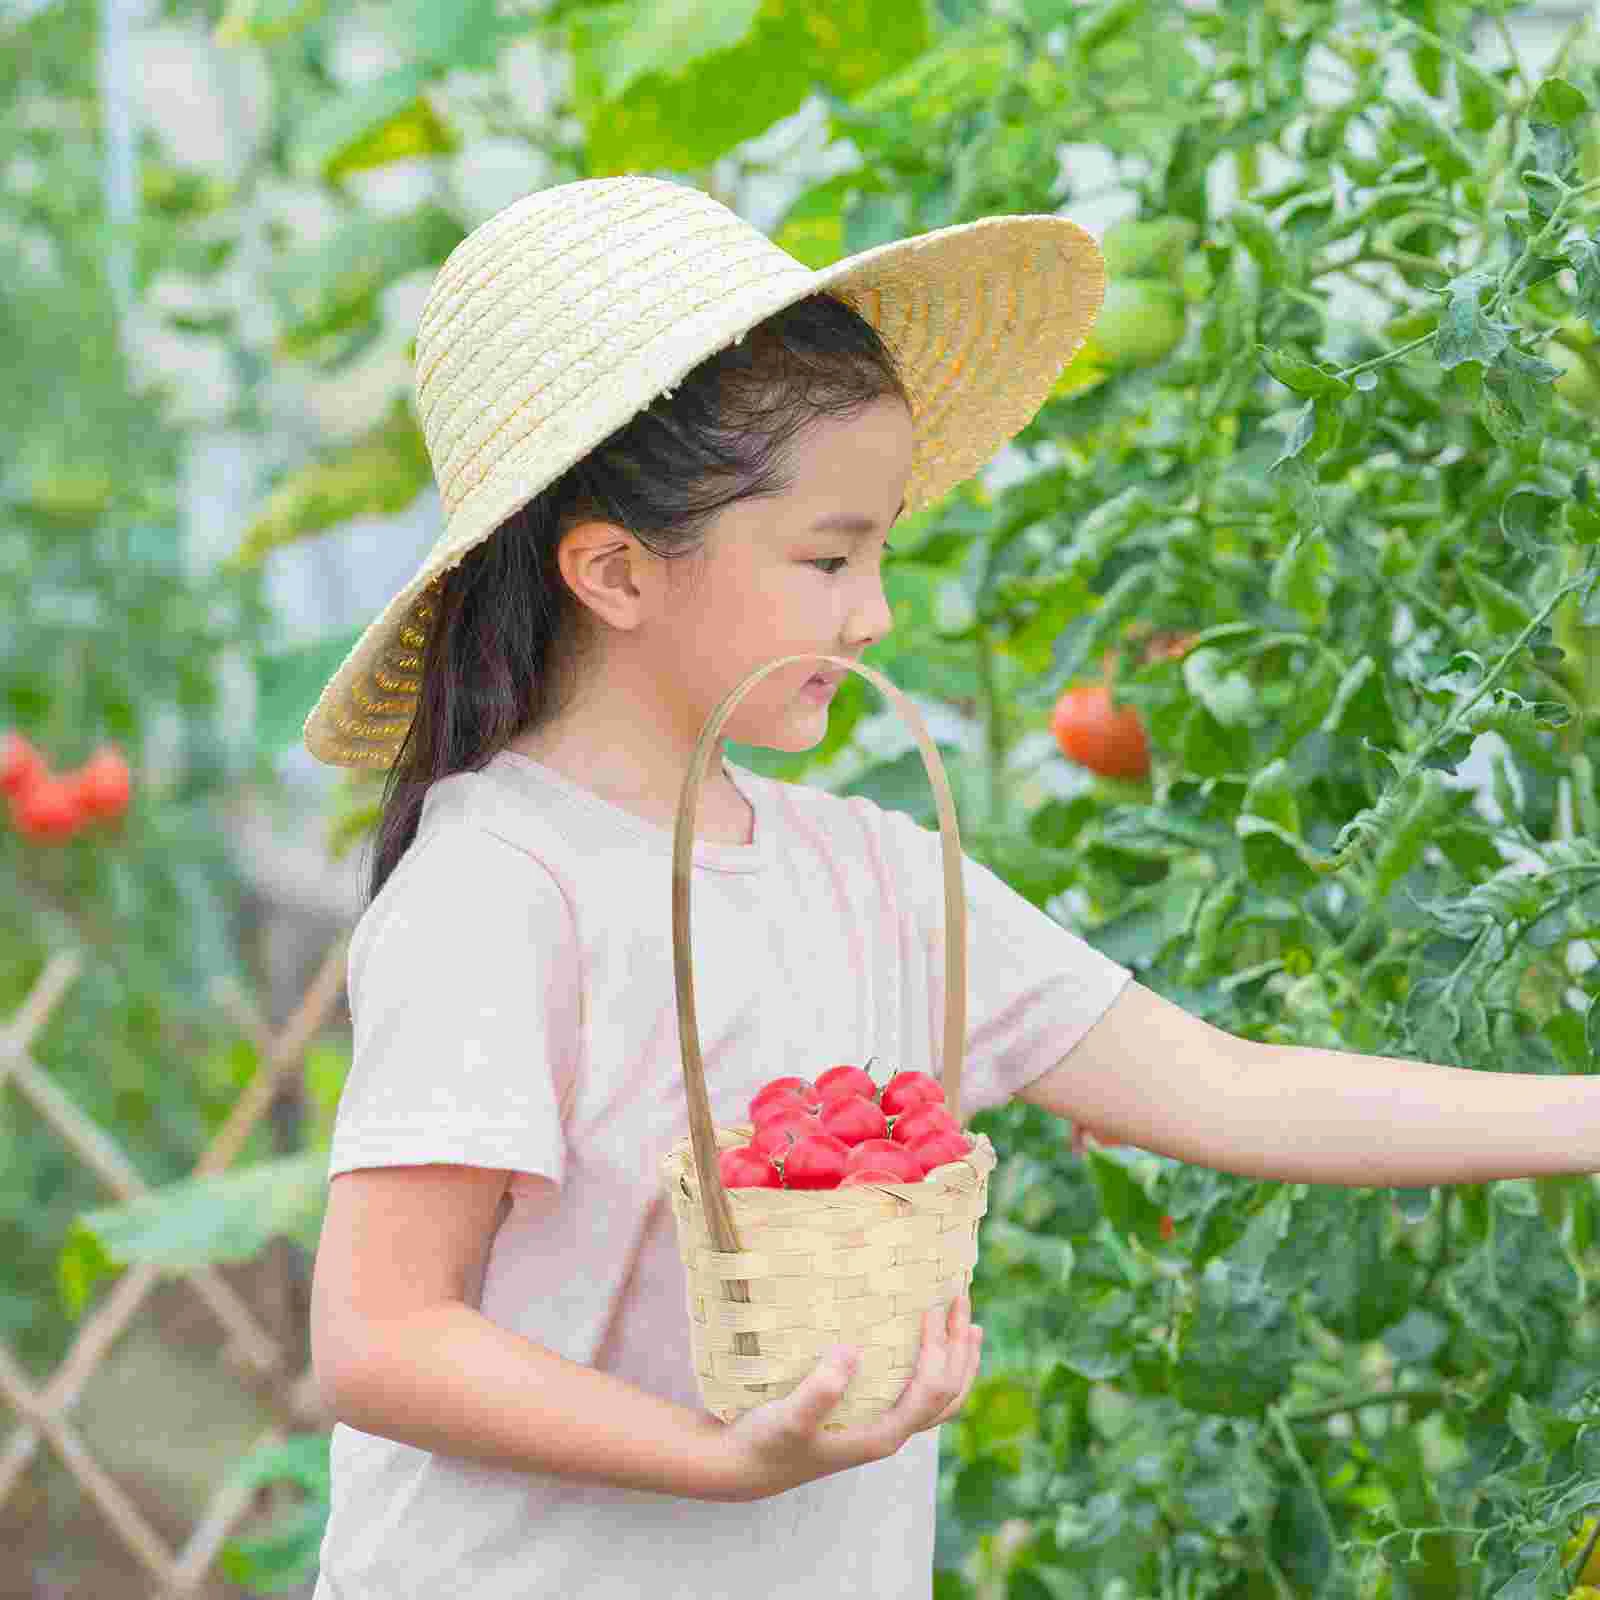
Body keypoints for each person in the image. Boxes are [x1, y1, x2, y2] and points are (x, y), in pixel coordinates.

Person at [303, 175, 1596, 1600]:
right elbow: (382, 1339)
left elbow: (1233, 1091)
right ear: (613, 569)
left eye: (882, 549)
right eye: (830, 556)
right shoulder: (503, 884)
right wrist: (714, 1456)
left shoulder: (869, 876)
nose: (875, 611)